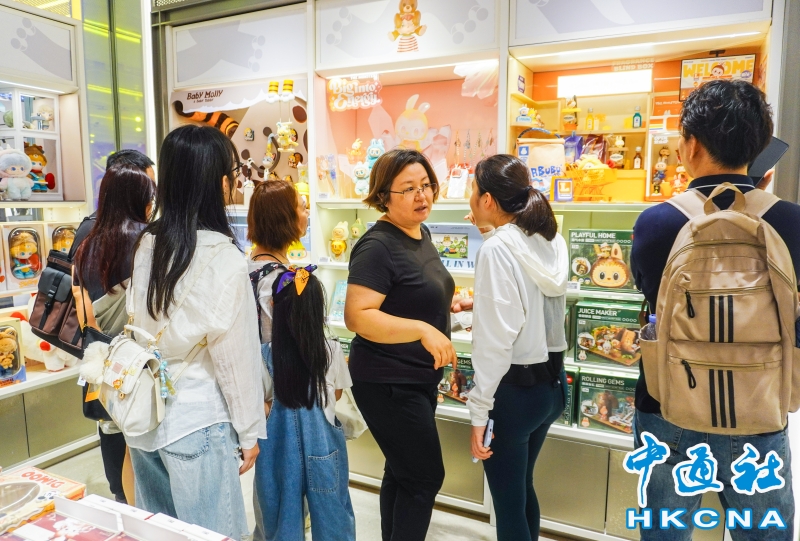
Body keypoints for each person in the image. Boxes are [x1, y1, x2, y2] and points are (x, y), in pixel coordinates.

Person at [631, 79, 800, 540]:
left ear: (690, 145)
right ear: (760, 146)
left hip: (668, 407)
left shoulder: (656, 222)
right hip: (760, 408)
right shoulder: (790, 221)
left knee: (664, 533)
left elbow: (647, 290)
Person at [125, 125, 264, 541]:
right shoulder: (225, 257)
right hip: (199, 421)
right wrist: (249, 432)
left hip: (144, 416)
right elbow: (235, 359)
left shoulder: (148, 244)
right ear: (220, 183)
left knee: (161, 534)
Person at [344, 149, 456, 541]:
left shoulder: (420, 233)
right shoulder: (377, 246)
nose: (421, 195)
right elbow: (358, 316)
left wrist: (448, 305)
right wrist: (423, 329)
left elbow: (411, 293)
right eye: (408, 188)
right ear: (383, 195)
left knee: (403, 472)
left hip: (416, 378)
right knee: (424, 477)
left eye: (426, 185)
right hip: (388, 381)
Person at [464, 154, 568, 541]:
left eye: (472, 191)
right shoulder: (550, 239)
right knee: (522, 488)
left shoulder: (497, 249)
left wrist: (479, 412)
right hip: (551, 388)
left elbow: (494, 344)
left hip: (513, 396)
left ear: (487, 199)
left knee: (507, 507)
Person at [68, 149, 155, 507]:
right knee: (141, 443)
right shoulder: (147, 240)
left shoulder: (87, 240)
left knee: (111, 429)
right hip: (139, 359)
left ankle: (120, 500)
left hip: (102, 354)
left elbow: (79, 299)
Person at [252, 260, 355, 541]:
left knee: (280, 522)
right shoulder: (331, 351)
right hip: (325, 451)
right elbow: (336, 395)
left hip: (277, 452)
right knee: (333, 520)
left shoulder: (263, 355)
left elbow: (259, 401)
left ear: (272, 307)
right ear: (318, 310)